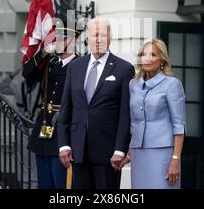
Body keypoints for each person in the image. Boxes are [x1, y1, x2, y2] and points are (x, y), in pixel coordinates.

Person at [58, 18, 135, 189]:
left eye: (103, 35)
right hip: (78, 152)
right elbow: (66, 108)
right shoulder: (75, 67)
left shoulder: (124, 69)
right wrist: (64, 144)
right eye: (94, 35)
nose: (98, 39)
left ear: (110, 38)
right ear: (87, 38)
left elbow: (125, 115)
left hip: (108, 155)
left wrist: (120, 150)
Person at [120, 38, 186, 189]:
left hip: (163, 152)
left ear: (162, 59)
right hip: (138, 153)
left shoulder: (172, 84)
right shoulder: (133, 85)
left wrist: (175, 159)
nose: (148, 58)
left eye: (153, 55)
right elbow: (132, 122)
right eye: (144, 54)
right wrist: (129, 153)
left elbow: (179, 125)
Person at [23, 18, 81, 189]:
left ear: (74, 40)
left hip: (64, 130)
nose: (59, 41)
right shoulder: (50, 63)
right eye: (57, 37)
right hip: (45, 127)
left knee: (61, 183)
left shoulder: (80, 65)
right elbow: (27, 73)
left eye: (64, 38)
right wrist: (43, 52)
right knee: (45, 182)